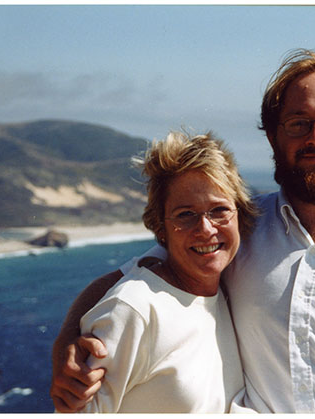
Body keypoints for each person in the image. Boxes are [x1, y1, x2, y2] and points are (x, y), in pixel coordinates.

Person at [51, 48, 315, 413]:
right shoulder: (233, 230)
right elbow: (134, 278)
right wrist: (69, 338)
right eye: (298, 123)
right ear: (273, 138)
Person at [66, 131, 258, 412]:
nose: (206, 229)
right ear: (161, 228)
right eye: (185, 214)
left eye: (219, 210)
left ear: (239, 214)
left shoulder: (227, 291)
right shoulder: (134, 310)